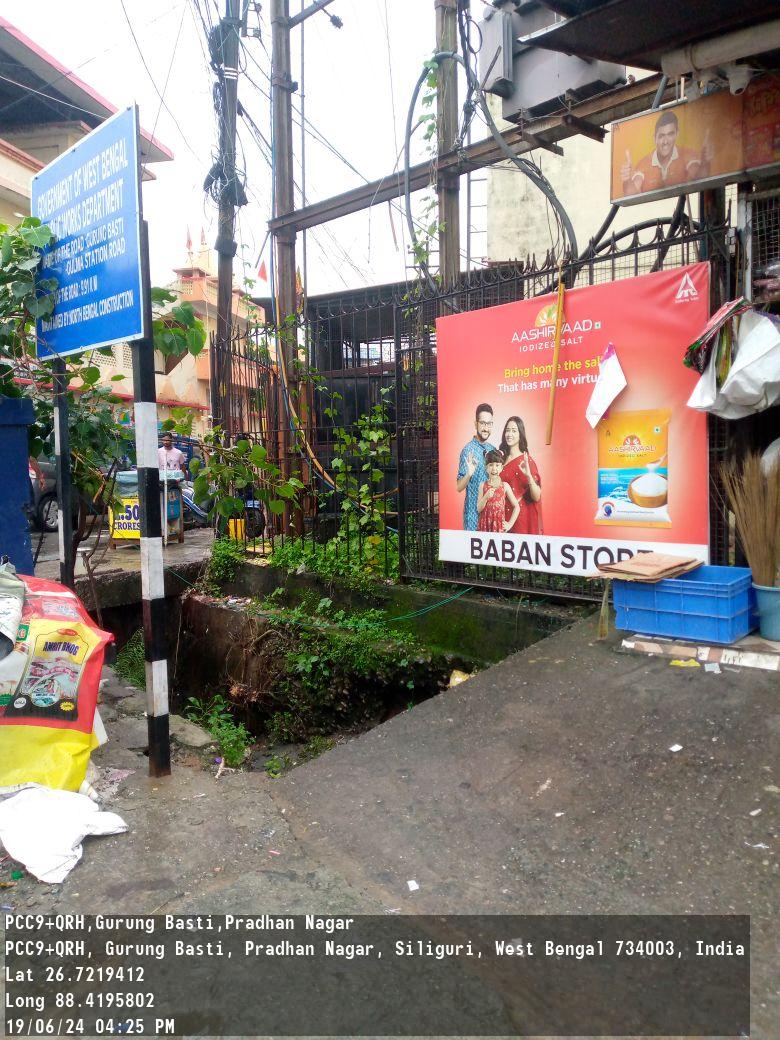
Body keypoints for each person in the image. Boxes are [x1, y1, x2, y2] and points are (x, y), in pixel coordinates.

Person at [621, 110, 713, 196]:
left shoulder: (687, 155)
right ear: (655, 138)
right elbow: (631, 192)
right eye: (661, 136)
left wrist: (705, 163)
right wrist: (627, 180)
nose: (665, 141)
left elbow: (699, 177)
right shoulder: (644, 164)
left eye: (670, 134)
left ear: (677, 134)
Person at [499, 416, 543, 535]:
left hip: (520, 519)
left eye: (514, 431)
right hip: (501, 517)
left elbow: (536, 497)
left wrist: (528, 476)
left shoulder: (526, 461)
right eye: (507, 430)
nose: (509, 434)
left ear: (520, 435)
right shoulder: (500, 459)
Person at [456, 403, 497, 531]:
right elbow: (459, 487)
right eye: (483, 423)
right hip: (473, 518)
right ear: (476, 424)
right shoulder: (468, 450)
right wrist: (469, 474)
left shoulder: (493, 450)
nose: (486, 428)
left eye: (489, 424)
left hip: (491, 516)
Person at [477, 450, 520, 533]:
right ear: (486, 468)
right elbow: (479, 509)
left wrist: (510, 524)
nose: (494, 468)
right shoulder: (482, 485)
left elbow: (516, 506)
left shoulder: (505, 486)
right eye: (491, 465)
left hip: (499, 526)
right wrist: (485, 497)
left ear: (501, 468)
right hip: (484, 526)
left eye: (497, 465)